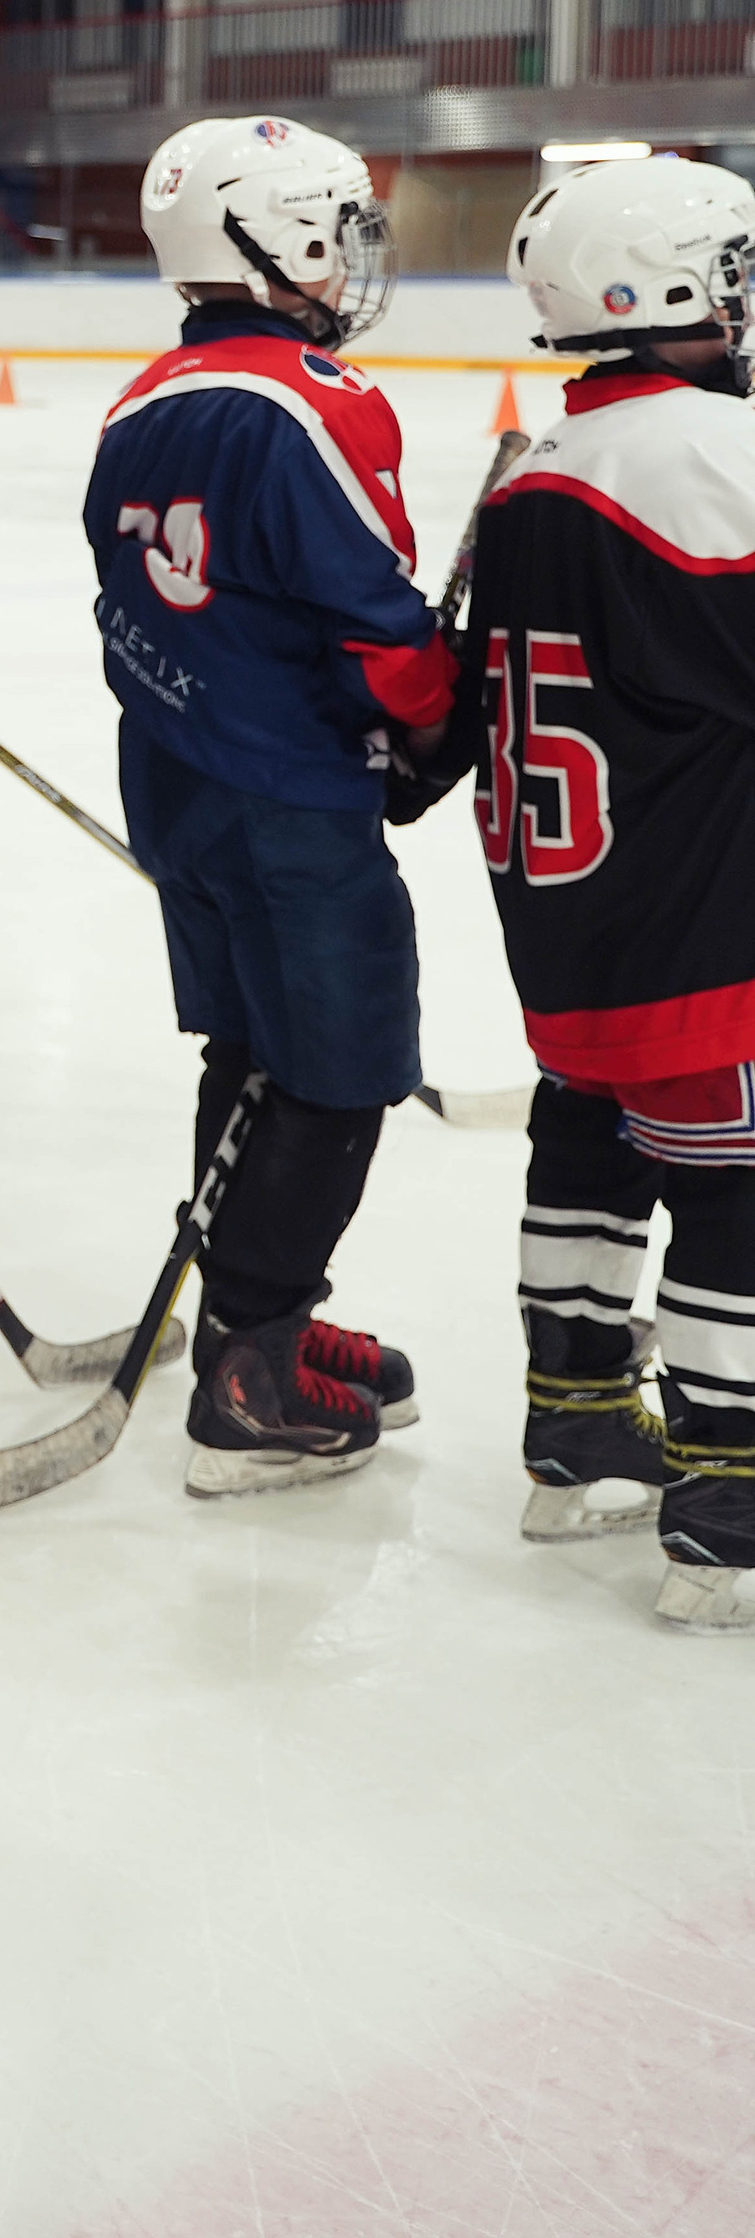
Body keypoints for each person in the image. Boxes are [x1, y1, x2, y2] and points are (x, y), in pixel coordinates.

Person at [84, 115, 447, 1495]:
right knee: (340, 1067)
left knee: (245, 1050)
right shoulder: (320, 399)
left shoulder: (137, 401)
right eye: (338, 225)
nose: (353, 253)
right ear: (276, 238)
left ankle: (257, 1316)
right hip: (293, 800)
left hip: (182, 788)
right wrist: (430, 725)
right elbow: (380, 624)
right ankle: (248, 1369)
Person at [450, 154, 755, 1623]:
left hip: (569, 927)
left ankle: (574, 1424)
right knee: (738, 1192)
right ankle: (728, 1499)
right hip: (704, 928)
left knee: (589, 1142)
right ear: (678, 290)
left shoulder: (533, 474)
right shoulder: (715, 457)